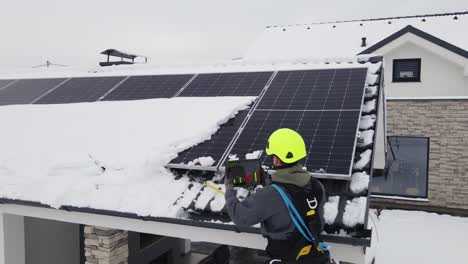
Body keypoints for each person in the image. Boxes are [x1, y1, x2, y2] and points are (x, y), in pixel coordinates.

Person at [224, 128, 331, 263]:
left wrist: (229, 189)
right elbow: (295, 197)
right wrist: (269, 183)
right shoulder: (317, 186)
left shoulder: (271, 195)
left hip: (287, 258)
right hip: (313, 256)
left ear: (276, 160)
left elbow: (240, 218)